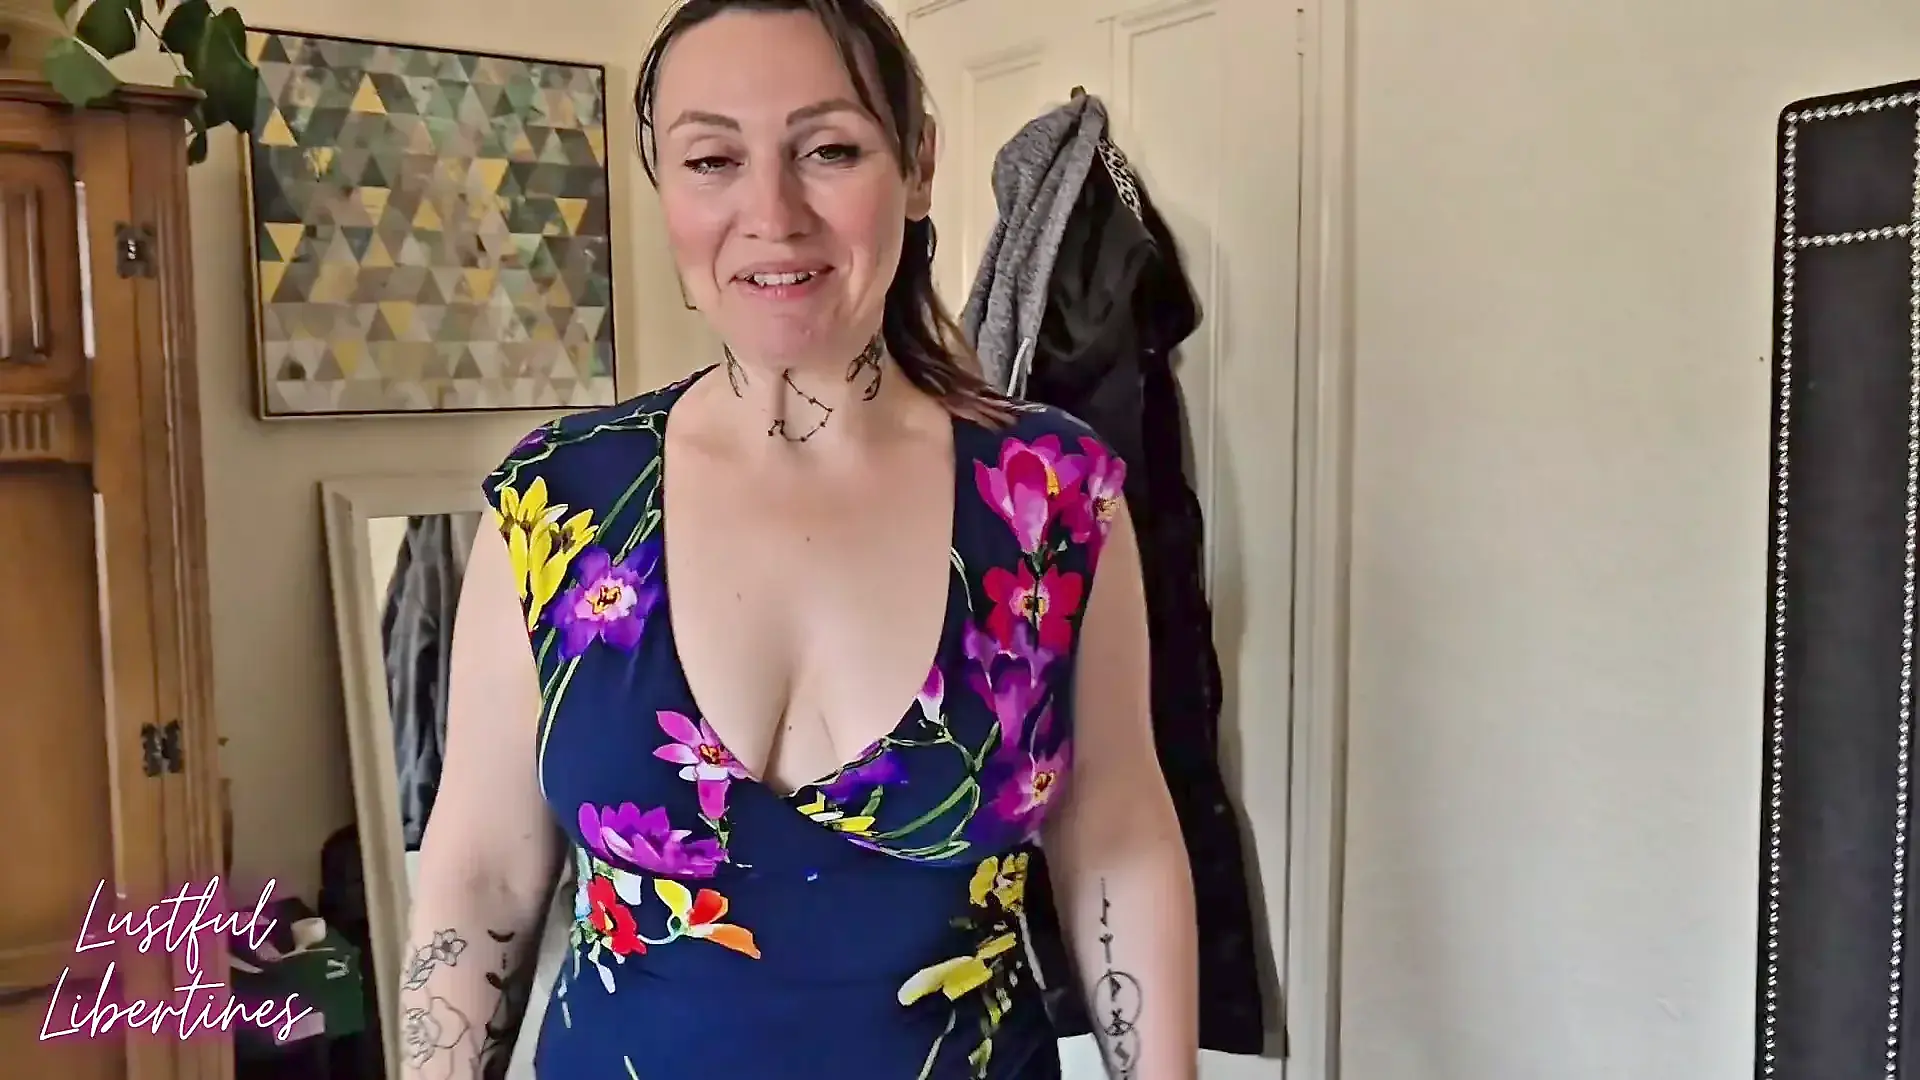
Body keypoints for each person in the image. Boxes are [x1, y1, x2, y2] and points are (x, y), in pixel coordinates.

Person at [397, 1, 1198, 1076]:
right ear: (666, 187)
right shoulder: (555, 502)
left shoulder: (1052, 496)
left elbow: (1116, 835)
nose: (771, 216)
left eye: (828, 151)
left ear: (917, 166)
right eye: (712, 160)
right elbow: (483, 877)